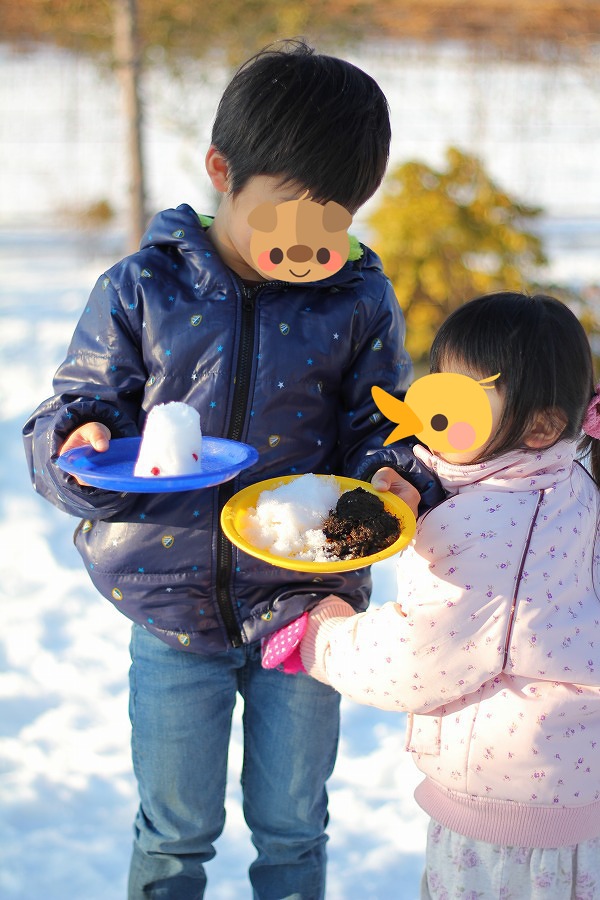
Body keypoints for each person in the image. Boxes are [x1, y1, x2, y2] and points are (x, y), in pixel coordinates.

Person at [22, 40, 442, 899]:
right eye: (289, 216)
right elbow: (82, 406)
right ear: (223, 170)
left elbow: (377, 426)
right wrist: (81, 443)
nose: (310, 246)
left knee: (293, 827)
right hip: (168, 602)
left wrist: (394, 481)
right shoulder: (143, 289)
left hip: (304, 609)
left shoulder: (357, 299)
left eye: (336, 221)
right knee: (177, 831)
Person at [290, 292, 600, 899]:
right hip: (562, 780)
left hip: (507, 808)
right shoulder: (565, 481)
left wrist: (324, 638)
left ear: (539, 425)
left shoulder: (494, 531)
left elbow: (423, 654)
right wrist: (423, 487)